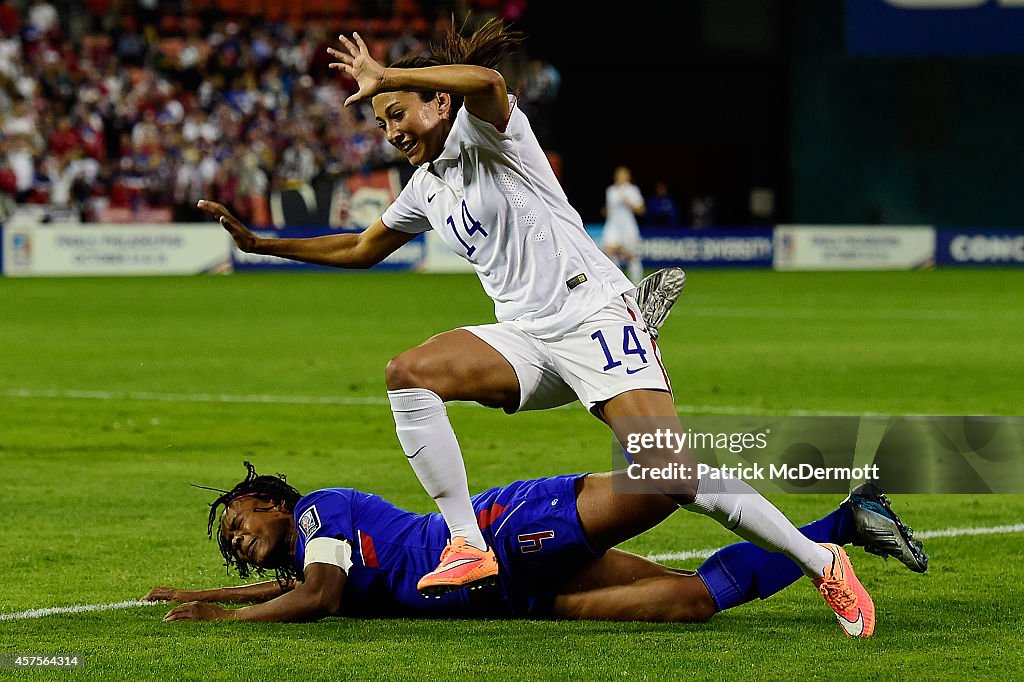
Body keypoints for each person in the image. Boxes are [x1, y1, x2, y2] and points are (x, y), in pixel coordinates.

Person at [196, 18, 876, 636]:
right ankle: (465, 543)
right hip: (524, 337)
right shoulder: (425, 187)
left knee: (669, 471)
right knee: (410, 373)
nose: (392, 130)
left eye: (397, 112)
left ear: (438, 103)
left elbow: (488, 80)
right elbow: (358, 248)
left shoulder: (488, 134)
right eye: (381, 122)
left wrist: (389, 73)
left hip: (588, 314)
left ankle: (823, 565)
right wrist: (263, 246)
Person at [146, 462, 927, 634]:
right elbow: (302, 588)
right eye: (233, 550)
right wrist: (198, 593)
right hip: (516, 594)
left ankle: (635, 371)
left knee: (662, 480)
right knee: (690, 600)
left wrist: (219, 619)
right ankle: (845, 525)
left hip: (499, 537)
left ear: (272, 501)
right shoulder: (310, 554)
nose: (240, 545)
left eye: (239, 525)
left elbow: (314, 599)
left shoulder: (321, 513)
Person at [601, 165, 646, 283]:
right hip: (613, 226)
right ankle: (619, 283)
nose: (621, 177)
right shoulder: (610, 190)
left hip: (628, 227)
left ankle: (637, 286)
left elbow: (641, 210)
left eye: (624, 174)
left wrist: (630, 203)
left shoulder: (632, 190)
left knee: (631, 256)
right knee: (608, 252)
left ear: (628, 176)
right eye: (619, 174)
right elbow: (609, 209)